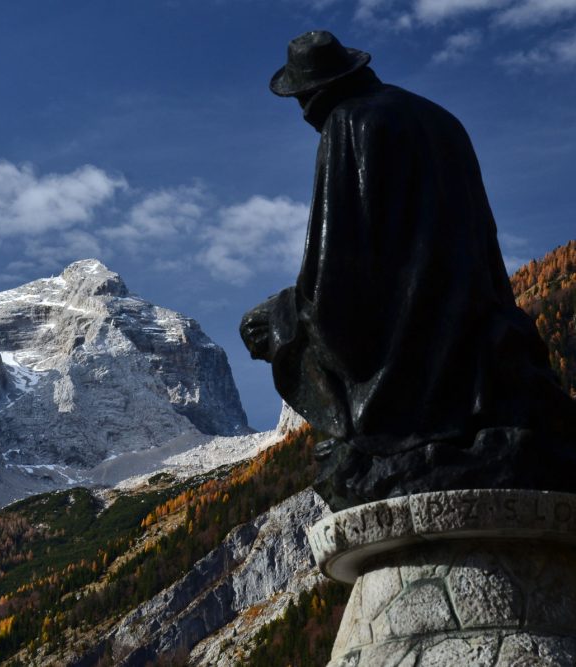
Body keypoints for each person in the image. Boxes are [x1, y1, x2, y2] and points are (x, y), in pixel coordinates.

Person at [241, 31, 576, 510]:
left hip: (405, 347)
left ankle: (391, 434)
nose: (303, 113)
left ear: (318, 91)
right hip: (476, 325)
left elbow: (335, 264)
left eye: (302, 99)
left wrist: (284, 316)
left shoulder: (347, 122)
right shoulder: (442, 119)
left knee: (267, 326)